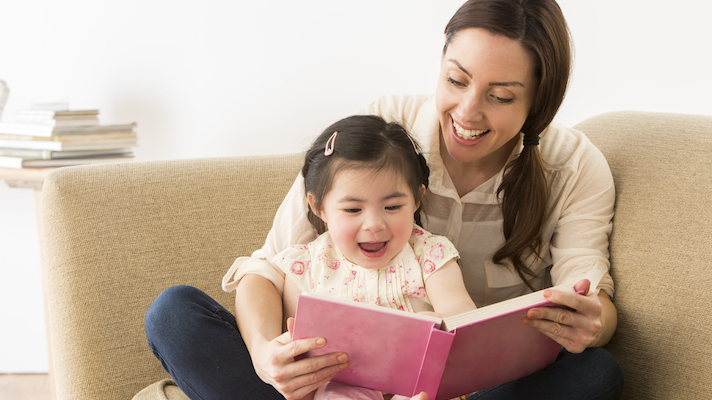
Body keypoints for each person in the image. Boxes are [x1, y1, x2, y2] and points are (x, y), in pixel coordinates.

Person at [145, 0, 625, 399]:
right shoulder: (382, 132)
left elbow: (591, 299)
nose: (468, 111)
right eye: (456, 81)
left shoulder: (574, 167)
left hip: (468, 389)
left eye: (500, 96)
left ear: (538, 100)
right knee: (175, 314)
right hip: (323, 385)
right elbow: (267, 267)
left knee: (595, 372)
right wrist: (267, 357)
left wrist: (589, 322)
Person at [275, 115, 477, 400]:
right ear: (318, 206)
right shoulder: (305, 267)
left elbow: (464, 316)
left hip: (417, 382)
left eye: (392, 206)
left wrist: (437, 322)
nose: (374, 224)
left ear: (417, 198)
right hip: (342, 386)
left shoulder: (429, 253)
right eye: (353, 210)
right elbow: (299, 358)